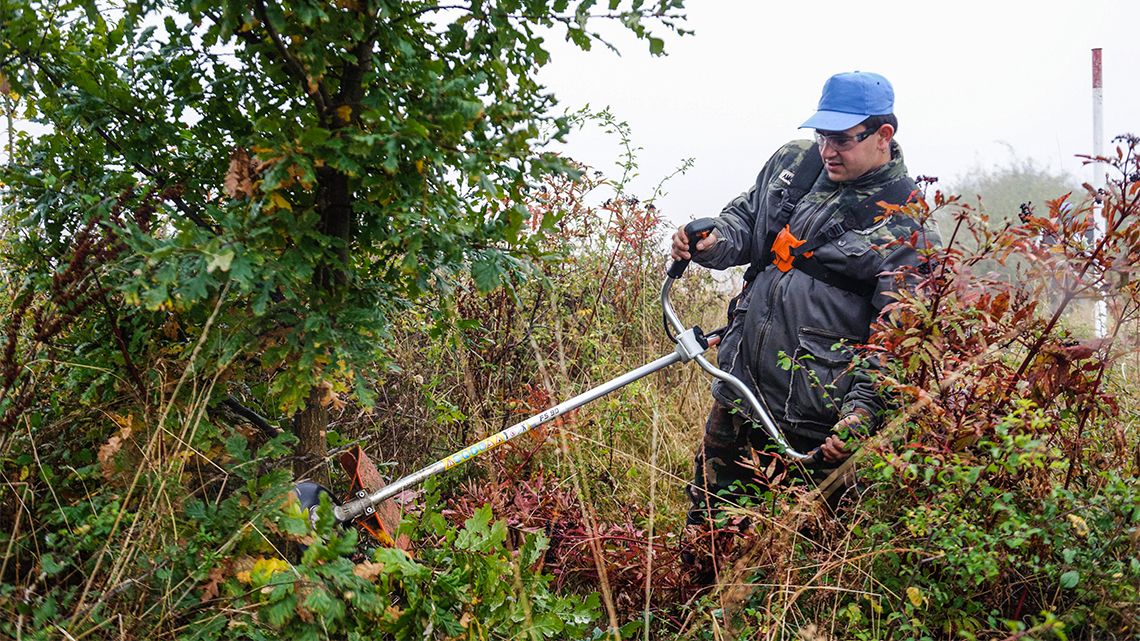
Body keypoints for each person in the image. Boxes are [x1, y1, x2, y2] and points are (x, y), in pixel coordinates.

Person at [673, 71, 939, 525]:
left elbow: (895, 343)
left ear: (883, 135)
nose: (828, 150)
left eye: (842, 139)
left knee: (792, 562)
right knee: (708, 539)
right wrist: (712, 240)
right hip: (740, 395)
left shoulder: (908, 229)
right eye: (821, 135)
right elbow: (746, 223)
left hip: (814, 427)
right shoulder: (796, 165)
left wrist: (861, 415)